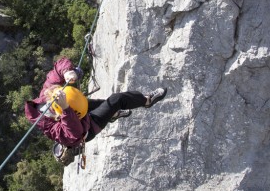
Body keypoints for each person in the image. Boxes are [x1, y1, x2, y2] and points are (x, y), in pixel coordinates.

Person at [24, 56, 167, 163]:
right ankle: (146, 100)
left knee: (103, 104)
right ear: (56, 111)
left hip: (78, 109)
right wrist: (66, 109)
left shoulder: (46, 93)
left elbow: (57, 69)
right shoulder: (51, 128)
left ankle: (113, 114)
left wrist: (67, 72)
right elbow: (74, 133)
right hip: (87, 128)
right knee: (116, 100)